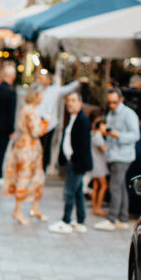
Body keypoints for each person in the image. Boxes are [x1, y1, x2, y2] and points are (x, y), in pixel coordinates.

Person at [94, 88, 140, 231]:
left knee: (115, 187)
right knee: (120, 187)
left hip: (122, 156)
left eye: (114, 102)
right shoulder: (110, 114)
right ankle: (122, 218)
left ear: (121, 100)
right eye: (109, 102)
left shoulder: (128, 114)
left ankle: (112, 218)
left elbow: (135, 135)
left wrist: (117, 135)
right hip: (113, 154)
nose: (111, 105)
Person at [3, 85, 48, 225]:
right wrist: (46, 122)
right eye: (41, 95)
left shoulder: (27, 109)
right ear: (35, 96)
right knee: (24, 176)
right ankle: (18, 210)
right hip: (28, 149)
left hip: (26, 146)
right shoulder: (30, 111)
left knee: (37, 177)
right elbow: (36, 132)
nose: (42, 98)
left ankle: (35, 208)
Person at [49, 93, 92, 234]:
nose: (70, 103)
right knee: (78, 193)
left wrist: (74, 159)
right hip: (72, 162)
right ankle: (80, 221)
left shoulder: (82, 120)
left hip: (77, 163)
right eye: (68, 100)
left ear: (80, 103)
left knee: (69, 192)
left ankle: (66, 221)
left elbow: (83, 145)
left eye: (73, 100)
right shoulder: (73, 118)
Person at [35, 71, 88, 171]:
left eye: (42, 78)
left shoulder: (54, 90)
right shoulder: (37, 90)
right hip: (36, 122)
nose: (40, 81)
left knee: (45, 147)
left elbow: (67, 89)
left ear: (48, 80)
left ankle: (43, 167)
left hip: (48, 123)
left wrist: (78, 82)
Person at [89, 117, 109, 218]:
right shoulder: (98, 136)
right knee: (104, 185)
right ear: (100, 125)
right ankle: (98, 207)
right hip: (99, 164)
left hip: (95, 163)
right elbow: (104, 149)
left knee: (96, 186)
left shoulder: (93, 134)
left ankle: (95, 207)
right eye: (105, 125)